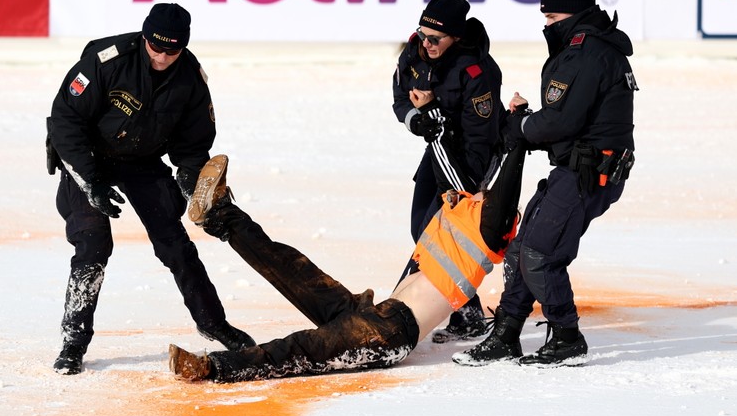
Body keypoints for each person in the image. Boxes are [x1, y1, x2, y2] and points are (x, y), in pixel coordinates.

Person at [167, 140, 527, 382]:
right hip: (371, 311)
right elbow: (494, 178)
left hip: (386, 336)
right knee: (291, 268)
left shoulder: (485, 234)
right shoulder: (464, 214)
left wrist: (521, 142)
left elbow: (506, 189)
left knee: (300, 350)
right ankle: (221, 215)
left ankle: (212, 368)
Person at [46, 3, 255, 375]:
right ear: (145, 38)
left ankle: (212, 323)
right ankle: (73, 342)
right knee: (93, 242)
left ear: (183, 48)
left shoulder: (190, 79)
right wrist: (89, 179)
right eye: (155, 48)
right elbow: (65, 119)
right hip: (86, 156)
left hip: (140, 161)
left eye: (171, 51)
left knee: (175, 243)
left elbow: (192, 148)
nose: (161, 57)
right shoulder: (106, 61)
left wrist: (192, 185)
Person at [453, 0, 637, 368]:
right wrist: (530, 122)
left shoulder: (586, 53)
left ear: (572, 14)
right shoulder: (588, 49)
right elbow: (568, 119)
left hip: (589, 173)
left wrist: (520, 125)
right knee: (521, 249)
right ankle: (505, 334)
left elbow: (561, 121)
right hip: (578, 167)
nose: (546, 25)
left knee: (539, 253)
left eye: (551, 16)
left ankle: (568, 338)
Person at [392, 0, 506, 342]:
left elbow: (478, 141)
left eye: (435, 39)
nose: (426, 43)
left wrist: (433, 120)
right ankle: (467, 311)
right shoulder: (414, 51)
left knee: (437, 232)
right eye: (422, 34)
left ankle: (417, 315)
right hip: (436, 145)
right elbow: (399, 98)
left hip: (471, 156)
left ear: (455, 37)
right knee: (419, 228)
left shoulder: (477, 71)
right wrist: (417, 121)